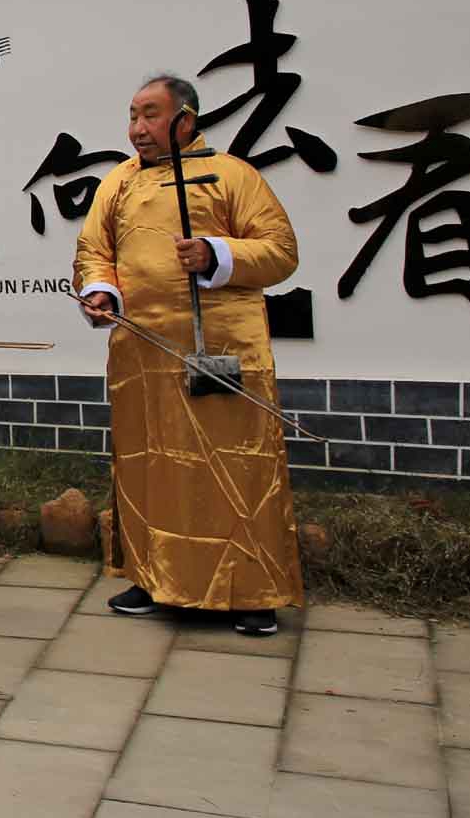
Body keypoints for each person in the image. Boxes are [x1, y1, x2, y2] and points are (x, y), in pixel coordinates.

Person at [76, 74, 303, 636]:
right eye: (132, 115)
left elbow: (280, 253)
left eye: (150, 115)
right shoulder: (118, 183)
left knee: (234, 466)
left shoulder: (232, 175)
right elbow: (93, 251)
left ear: (186, 119)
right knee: (151, 463)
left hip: (219, 349)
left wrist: (215, 253)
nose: (137, 129)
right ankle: (156, 578)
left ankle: (252, 591)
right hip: (142, 353)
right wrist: (100, 291)